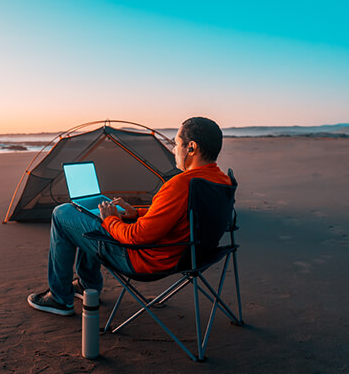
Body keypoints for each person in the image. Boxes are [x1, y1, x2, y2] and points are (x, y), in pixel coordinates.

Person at [27, 117, 233, 316]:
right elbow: (181, 216)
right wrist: (135, 213)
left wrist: (110, 220)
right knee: (94, 216)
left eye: (176, 143)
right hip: (190, 256)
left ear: (191, 148)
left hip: (147, 260)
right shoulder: (221, 181)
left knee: (63, 213)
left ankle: (60, 298)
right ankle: (86, 285)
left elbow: (138, 237)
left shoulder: (181, 184)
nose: (173, 149)